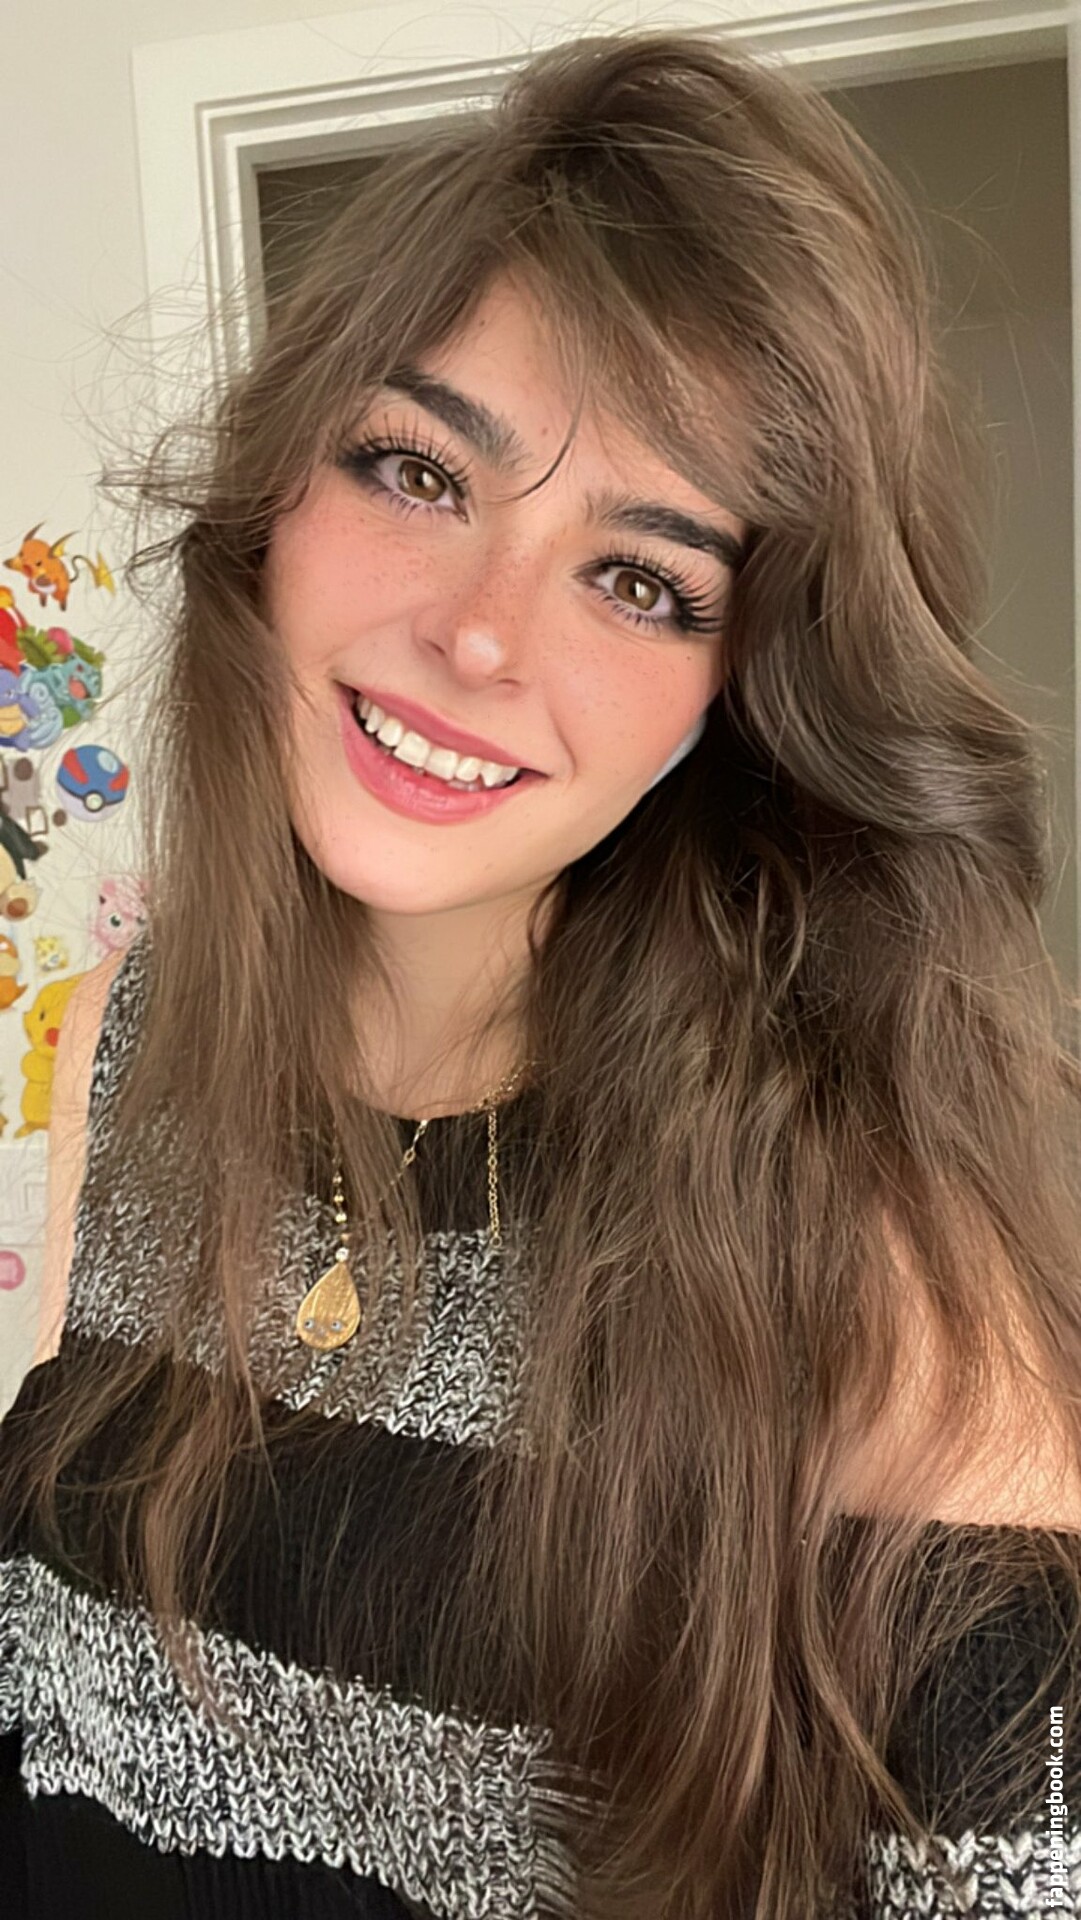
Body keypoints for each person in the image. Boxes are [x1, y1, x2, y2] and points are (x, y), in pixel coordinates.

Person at [1, 24, 1079, 1920]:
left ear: (740, 697)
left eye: (639, 578)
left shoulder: (875, 1252)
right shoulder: (129, 1040)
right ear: (275, 501)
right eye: (418, 471)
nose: (480, 636)